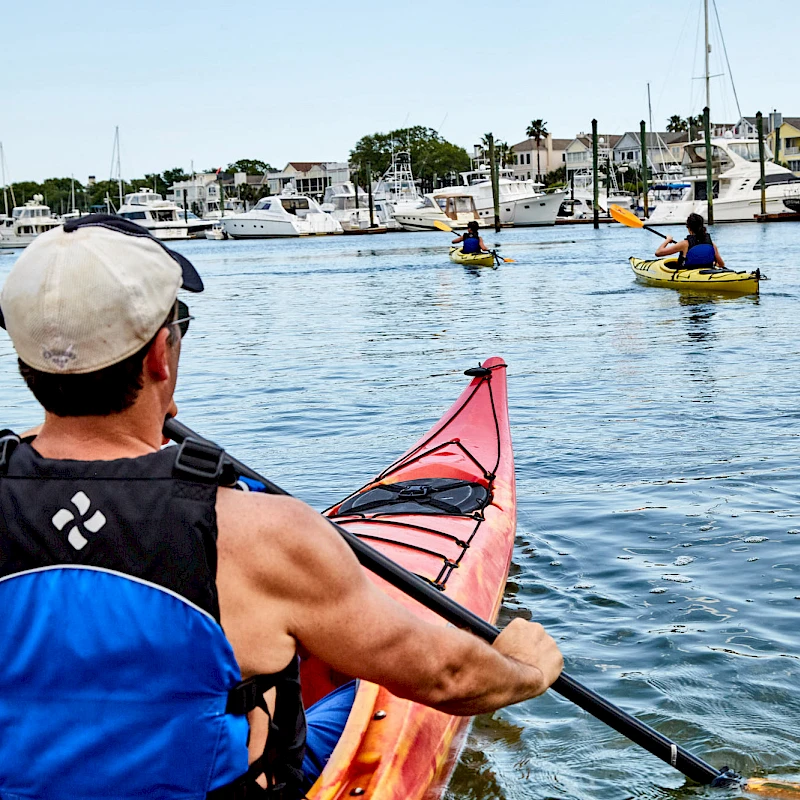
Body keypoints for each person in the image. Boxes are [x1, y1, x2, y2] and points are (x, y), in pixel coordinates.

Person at [0, 215, 563, 799]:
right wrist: (525, 669)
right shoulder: (260, 531)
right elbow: (447, 677)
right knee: (360, 688)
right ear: (159, 358)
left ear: (28, 364)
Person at [654, 212, 725, 269]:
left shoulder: (684, 244)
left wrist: (667, 240)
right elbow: (721, 264)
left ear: (689, 227)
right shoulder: (711, 244)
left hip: (688, 274)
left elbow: (658, 253)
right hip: (707, 272)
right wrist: (713, 264)